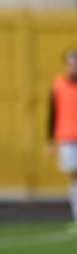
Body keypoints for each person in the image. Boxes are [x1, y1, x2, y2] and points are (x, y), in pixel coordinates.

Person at [48, 47, 77, 230]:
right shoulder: (58, 84)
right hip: (66, 136)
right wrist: (50, 138)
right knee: (74, 176)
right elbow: (52, 112)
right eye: (71, 63)